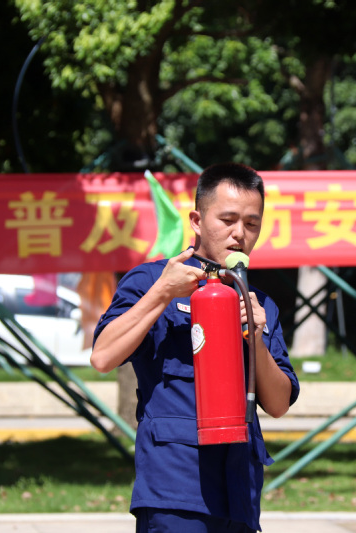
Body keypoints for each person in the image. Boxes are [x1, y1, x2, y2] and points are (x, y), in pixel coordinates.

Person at [91, 163, 299, 533]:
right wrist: (163, 293)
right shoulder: (151, 280)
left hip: (240, 491)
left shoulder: (260, 304)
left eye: (251, 224)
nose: (239, 234)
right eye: (228, 220)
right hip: (175, 486)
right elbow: (103, 357)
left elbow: (279, 404)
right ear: (197, 221)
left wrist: (255, 337)